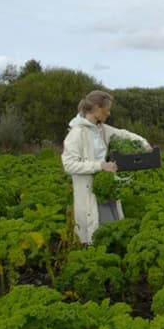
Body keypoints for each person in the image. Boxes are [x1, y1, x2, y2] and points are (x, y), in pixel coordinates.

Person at [61, 90, 151, 244]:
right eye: (107, 109)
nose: (109, 113)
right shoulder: (77, 134)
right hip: (91, 191)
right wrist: (100, 166)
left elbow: (122, 134)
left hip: (108, 186)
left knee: (116, 227)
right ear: (96, 108)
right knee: (102, 233)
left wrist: (143, 143)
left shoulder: (101, 129)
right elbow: (68, 165)